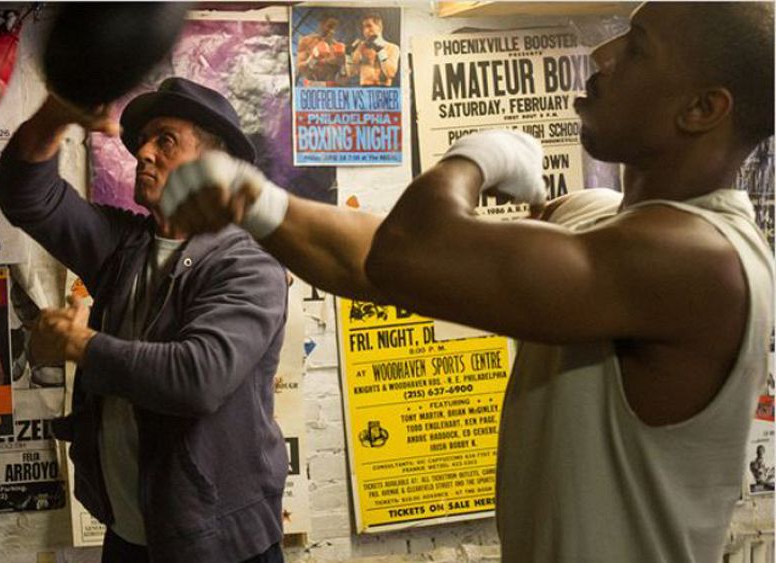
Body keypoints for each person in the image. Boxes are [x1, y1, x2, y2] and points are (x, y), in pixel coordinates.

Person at [158, 3, 774, 561]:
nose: (602, 55)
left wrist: (480, 154)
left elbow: (410, 253)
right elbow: (371, 261)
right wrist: (254, 200)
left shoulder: (701, 262)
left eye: (636, 46)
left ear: (701, 109)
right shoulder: (598, 219)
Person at [0, 77, 289, 563]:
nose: (143, 153)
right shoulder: (124, 244)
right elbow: (26, 195)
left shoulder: (247, 262)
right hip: (130, 532)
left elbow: (198, 378)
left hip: (216, 545)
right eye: (142, 141)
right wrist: (56, 113)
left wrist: (79, 345)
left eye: (165, 140)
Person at [348, 13, 400, 86]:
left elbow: (390, 73)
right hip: (365, 90)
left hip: (384, 91)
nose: (366, 31)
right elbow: (351, 73)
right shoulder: (361, 47)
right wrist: (348, 55)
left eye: (369, 26)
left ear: (379, 27)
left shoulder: (392, 48)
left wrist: (380, 51)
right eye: (364, 27)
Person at [296, 16, 345, 86]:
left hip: (330, 87)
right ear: (321, 25)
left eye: (334, 29)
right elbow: (300, 68)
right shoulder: (306, 41)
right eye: (329, 26)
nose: (332, 31)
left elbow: (343, 80)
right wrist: (313, 59)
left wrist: (342, 67)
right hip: (311, 86)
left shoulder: (337, 47)